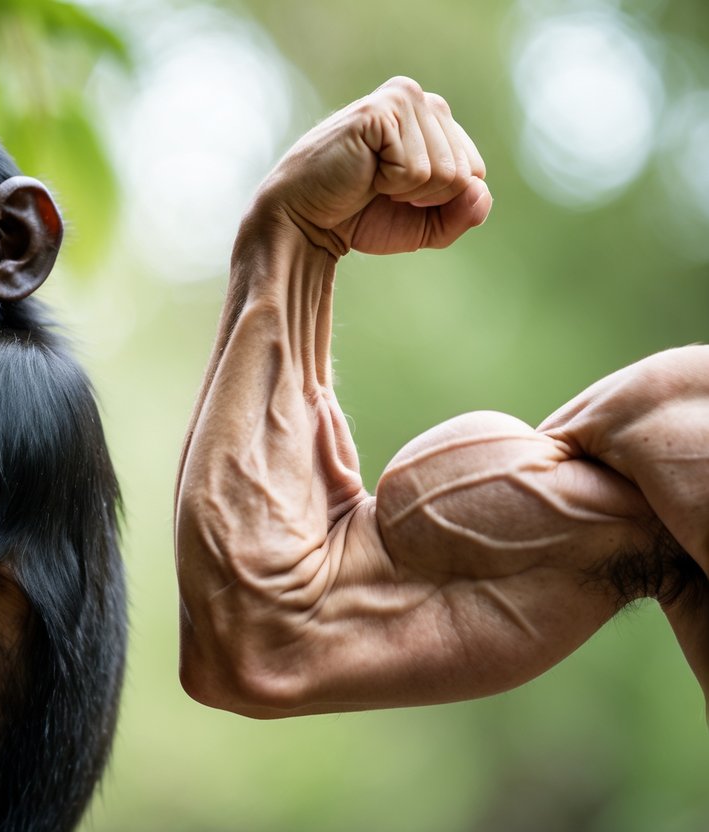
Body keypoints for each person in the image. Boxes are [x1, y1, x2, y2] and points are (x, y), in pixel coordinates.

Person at [174, 76, 709, 720]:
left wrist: (295, 235)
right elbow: (266, 632)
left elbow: (267, 633)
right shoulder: (677, 418)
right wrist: (293, 237)